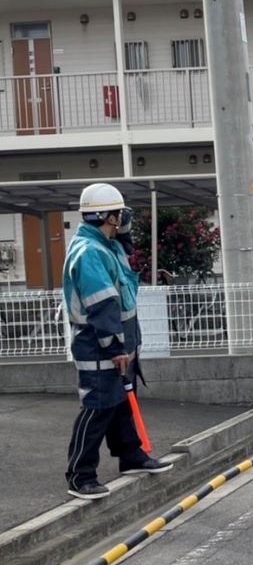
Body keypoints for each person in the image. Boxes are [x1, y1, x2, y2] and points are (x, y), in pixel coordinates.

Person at [62, 183, 173, 501]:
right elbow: (102, 302)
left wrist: (123, 346)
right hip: (100, 344)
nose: (124, 218)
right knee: (98, 406)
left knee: (121, 403)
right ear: (108, 216)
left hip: (119, 341)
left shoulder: (107, 245)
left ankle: (130, 455)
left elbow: (126, 243)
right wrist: (114, 347)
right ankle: (79, 475)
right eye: (119, 213)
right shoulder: (91, 252)